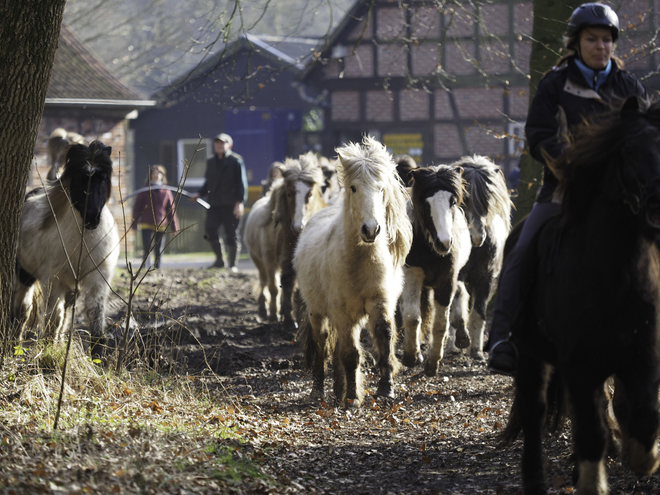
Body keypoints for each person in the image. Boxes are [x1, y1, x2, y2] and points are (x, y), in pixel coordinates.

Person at [487, 2, 648, 375]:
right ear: (576, 43)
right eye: (592, 39)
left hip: (623, 196)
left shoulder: (629, 88)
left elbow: (641, 140)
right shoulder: (554, 84)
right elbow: (539, 136)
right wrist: (574, 173)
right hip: (563, 192)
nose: (601, 47)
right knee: (523, 250)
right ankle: (501, 337)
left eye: (607, 40)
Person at [192, 133, 248, 272]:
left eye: (223, 143)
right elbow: (208, 183)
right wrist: (199, 193)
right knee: (210, 230)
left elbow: (242, 184)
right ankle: (219, 261)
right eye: (217, 143)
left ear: (229, 145)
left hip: (231, 205)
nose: (219, 145)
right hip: (215, 204)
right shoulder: (210, 161)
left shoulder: (236, 161)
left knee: (232, 234)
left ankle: (233, 265)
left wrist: (239, 202)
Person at [132, 165, 179, 269]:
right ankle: (145, 267)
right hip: (146, 223)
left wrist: (174, 227)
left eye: (159, 173)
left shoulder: (166, 191)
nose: (157, 175)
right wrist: (134, 225)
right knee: (147, 248)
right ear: (150, 175)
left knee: (158, 248)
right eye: (154, 173)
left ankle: (158, 267)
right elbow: (137, 208)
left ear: (163, 175)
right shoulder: (144, 190)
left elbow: (171, 210)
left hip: (161, 223)